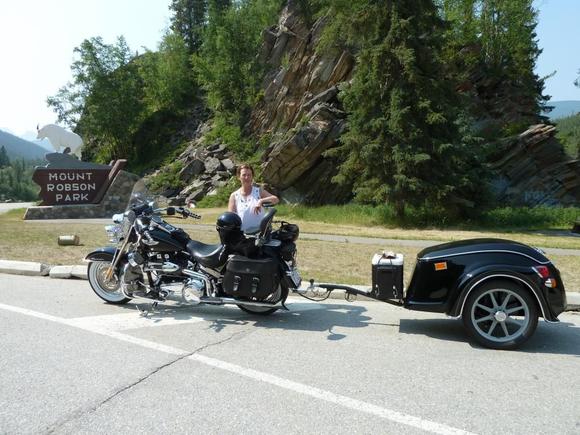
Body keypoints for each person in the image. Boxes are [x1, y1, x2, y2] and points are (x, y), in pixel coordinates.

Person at [228, 163, 279, 232]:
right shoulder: (234, 196)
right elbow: (230, 218)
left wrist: (261, 201)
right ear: (238, 177)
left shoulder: (258, 191)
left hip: (260, 234)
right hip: (243, 235)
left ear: (252, 176)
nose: (247, 177)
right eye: (244, 175)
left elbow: (275, 199)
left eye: (249, 175)